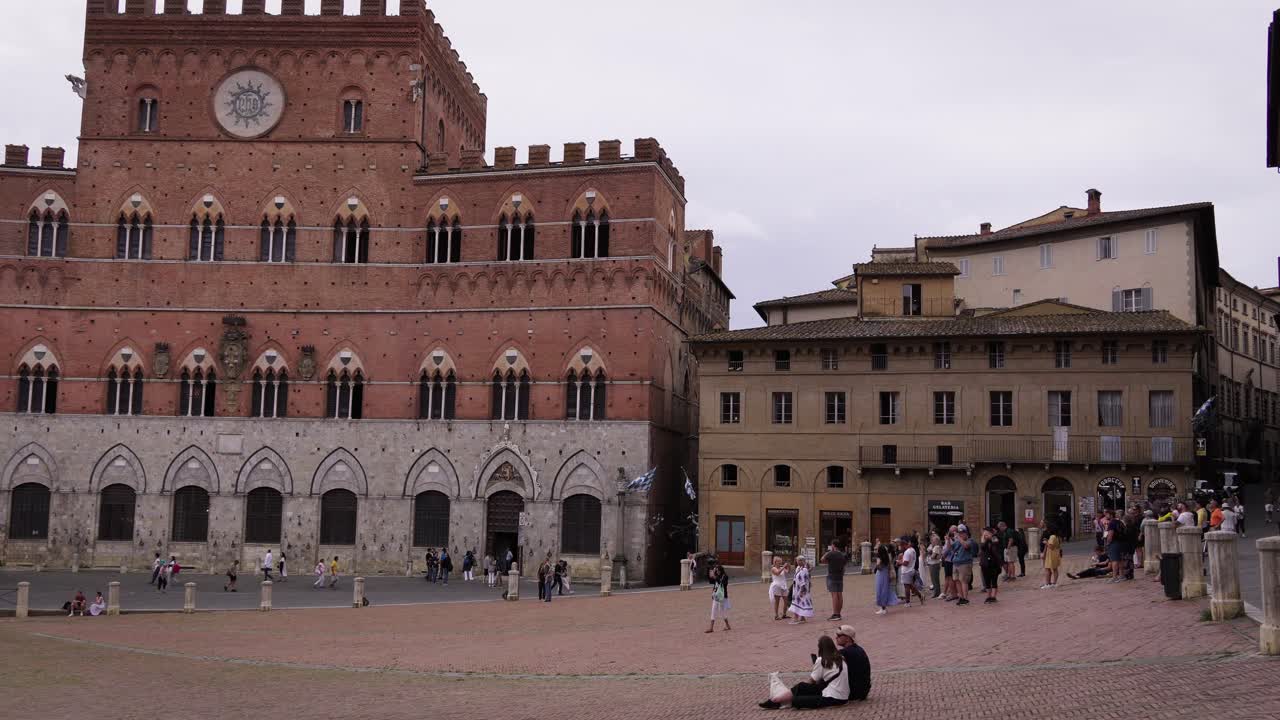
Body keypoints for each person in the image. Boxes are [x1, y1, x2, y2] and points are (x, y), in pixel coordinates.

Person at [758, 635, 849, 710]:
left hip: (833, 698)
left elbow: (812, 681)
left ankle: (775, 701)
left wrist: (802, 689)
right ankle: (775, 701)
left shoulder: (822, 660)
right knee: (801, 687)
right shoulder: (841, 658)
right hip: (842, 695)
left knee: (797, 700)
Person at [832, 625, 871, 701]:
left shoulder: (845, 652)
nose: (836, 637)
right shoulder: (859, 649)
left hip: (853, 693)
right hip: (862, 691)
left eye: (839, 635)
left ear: (847, 638)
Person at [820, 541, 848, 621]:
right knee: (840, 594)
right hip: (840, 576)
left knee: (834, 595)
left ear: (833, 546)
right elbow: (844, 567)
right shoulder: (843, 555)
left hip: (832, 575)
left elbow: (822, 560)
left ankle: (835, 614)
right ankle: (839, 613)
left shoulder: (831, 553)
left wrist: (828, 552)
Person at [950, 528, 976, 606]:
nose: (960, 534)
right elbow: (950, 548)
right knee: (957, 580)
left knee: (964, 581)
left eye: (962, 533)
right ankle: (961, 597)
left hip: (964, 563)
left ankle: (965, 598)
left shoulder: (970, 541)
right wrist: (948, 540)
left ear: (966, 534)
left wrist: (959, 538)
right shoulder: (957, 541)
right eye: (959, 533)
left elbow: (966, 546)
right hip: (956, 563)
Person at [898, 538, 925, 606]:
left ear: (904, 545)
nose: (900, 548)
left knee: (907, 587)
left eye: (901, 546)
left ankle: (907, 602)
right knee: (911, 586)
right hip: (911, 570)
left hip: (906, 571)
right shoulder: (913, 550)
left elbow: (906, 563)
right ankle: (920, 596)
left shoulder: (907, 552)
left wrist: (899, 562)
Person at [872, 543, 898, 615]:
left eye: (877, 549)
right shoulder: (887, 557)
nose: (875, 551)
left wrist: (877, 565)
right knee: (885, 590)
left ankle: (883, 608)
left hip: (880, 575)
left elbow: (879, 568)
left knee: (880, 590)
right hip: (886, 574)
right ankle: (883, 607)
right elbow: (889, 566)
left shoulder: (879, 557)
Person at [787, 556, 813, 624]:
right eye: (798, 560)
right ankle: (802, 618)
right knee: (800, 602)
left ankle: (796, 618)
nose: (798, 562)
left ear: (803, 561)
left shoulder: (804, 569)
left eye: (800, 560)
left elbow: (803, 580)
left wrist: (802, 590)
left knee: (798, 602)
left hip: (801, 589)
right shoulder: (799, 568)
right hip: (796, 588)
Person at [978, 528, 1002, 604]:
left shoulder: (995, 539)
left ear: (991, 533)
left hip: (994, 563)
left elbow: (995, 549)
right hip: (985, 564)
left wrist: (990, 539)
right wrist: (984, 539)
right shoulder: (984, 541)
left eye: (986, 533)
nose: (985, 535)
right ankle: (988, 596)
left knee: (994, 580)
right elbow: (982, 547)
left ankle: (993, 596)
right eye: (984, 533)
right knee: (987, 581)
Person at [706, 564, 731, 633]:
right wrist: (709, 572)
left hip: (722, 596)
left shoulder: (725, 576)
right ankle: (711, 628)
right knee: (713, 610)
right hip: (716, 596)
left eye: (717, 570)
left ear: (720, 570)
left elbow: (723, 584)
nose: (717, 572)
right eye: (716, 570)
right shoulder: (717, 576)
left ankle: (728, 625)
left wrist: (715, 577)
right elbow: (711, 581)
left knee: (722, 612)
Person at [768, 556, 790, 620]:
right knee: (777, 601)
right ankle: (776, 615)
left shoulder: (781, 568)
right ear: (775, 562)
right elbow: (777, 573)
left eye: (781, 561)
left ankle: (784, 614)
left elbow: (788, 571)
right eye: (779, 561)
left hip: (783, 585)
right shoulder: (773, 568)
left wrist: (788, 565)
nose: (780, 562)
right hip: (777, 586)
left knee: (786, 600)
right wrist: (783, 567)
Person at [1040, 524, 1061, 589]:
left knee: (1047, 568)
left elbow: (1051, 546)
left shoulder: (1052, 537)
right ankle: (1054, 583)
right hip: (1056, 554)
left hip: (1051, 555)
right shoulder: (1058, 537)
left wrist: (1046, 542)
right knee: (1055, 569)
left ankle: (1047, 584)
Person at [925, 533, 944, 599]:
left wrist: (930, 553)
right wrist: (930, 553)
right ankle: (936, 592)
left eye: (934, 540)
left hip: (935, 564)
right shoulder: (932, 546)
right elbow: (928, 552)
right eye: (932, 540)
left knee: (935, 579)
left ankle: (937, 592)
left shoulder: (937, 547)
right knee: (933, 579)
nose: (932, 541)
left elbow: (934, 556)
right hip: (931, 563)